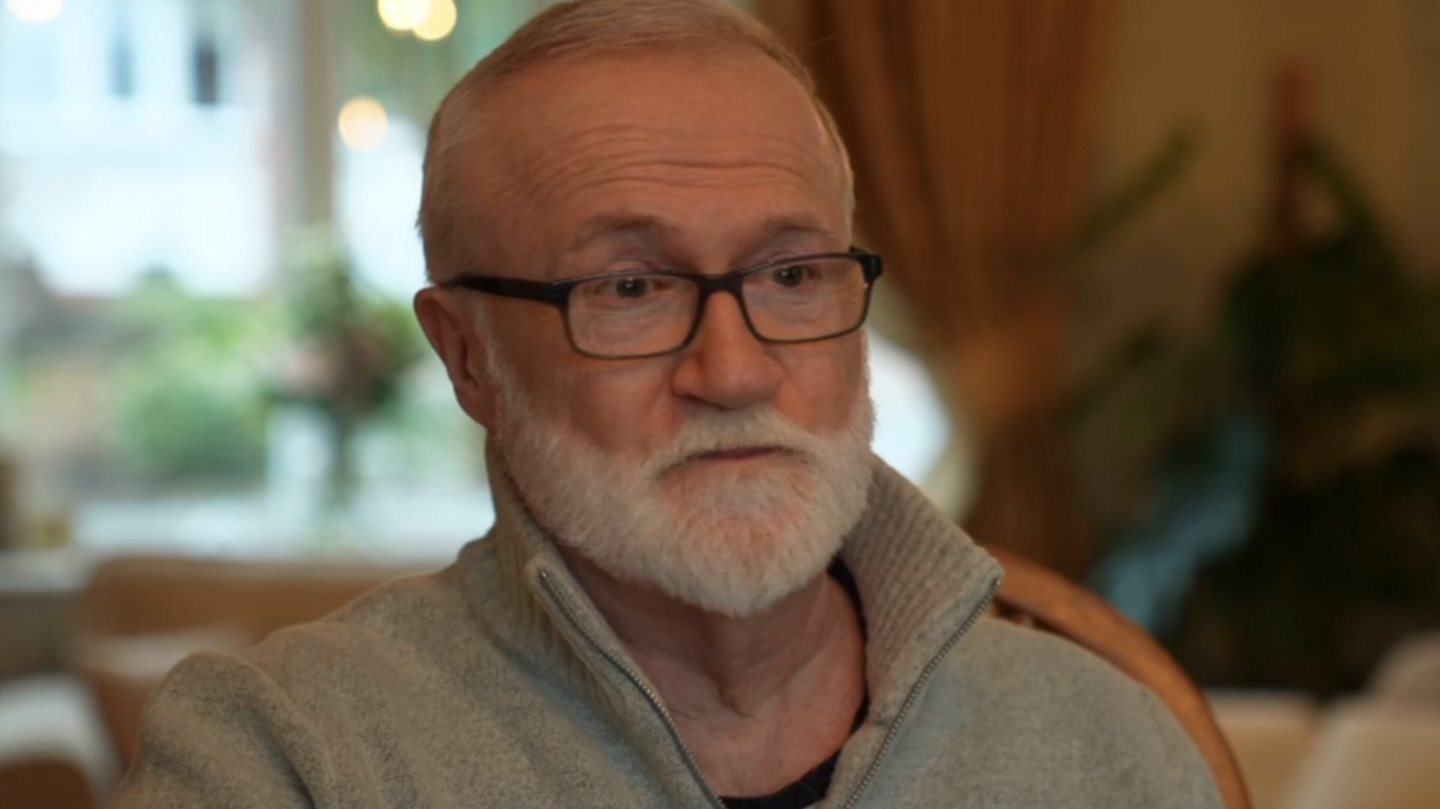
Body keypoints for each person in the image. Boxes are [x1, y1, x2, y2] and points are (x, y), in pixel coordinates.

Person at [113, 1, 1223, 807]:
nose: (734, 372)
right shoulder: (284, 753)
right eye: (632, 288)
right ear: (468, 357)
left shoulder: (1102, 739)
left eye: (791, 275)